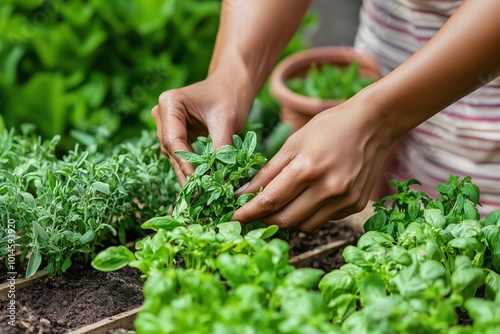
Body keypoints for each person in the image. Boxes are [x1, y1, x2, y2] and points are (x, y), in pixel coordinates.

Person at [151, 0, 500, 232]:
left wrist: (378, 119)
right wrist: (234, 70)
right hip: (388, 60)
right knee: (396, 224)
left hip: (487, 125)